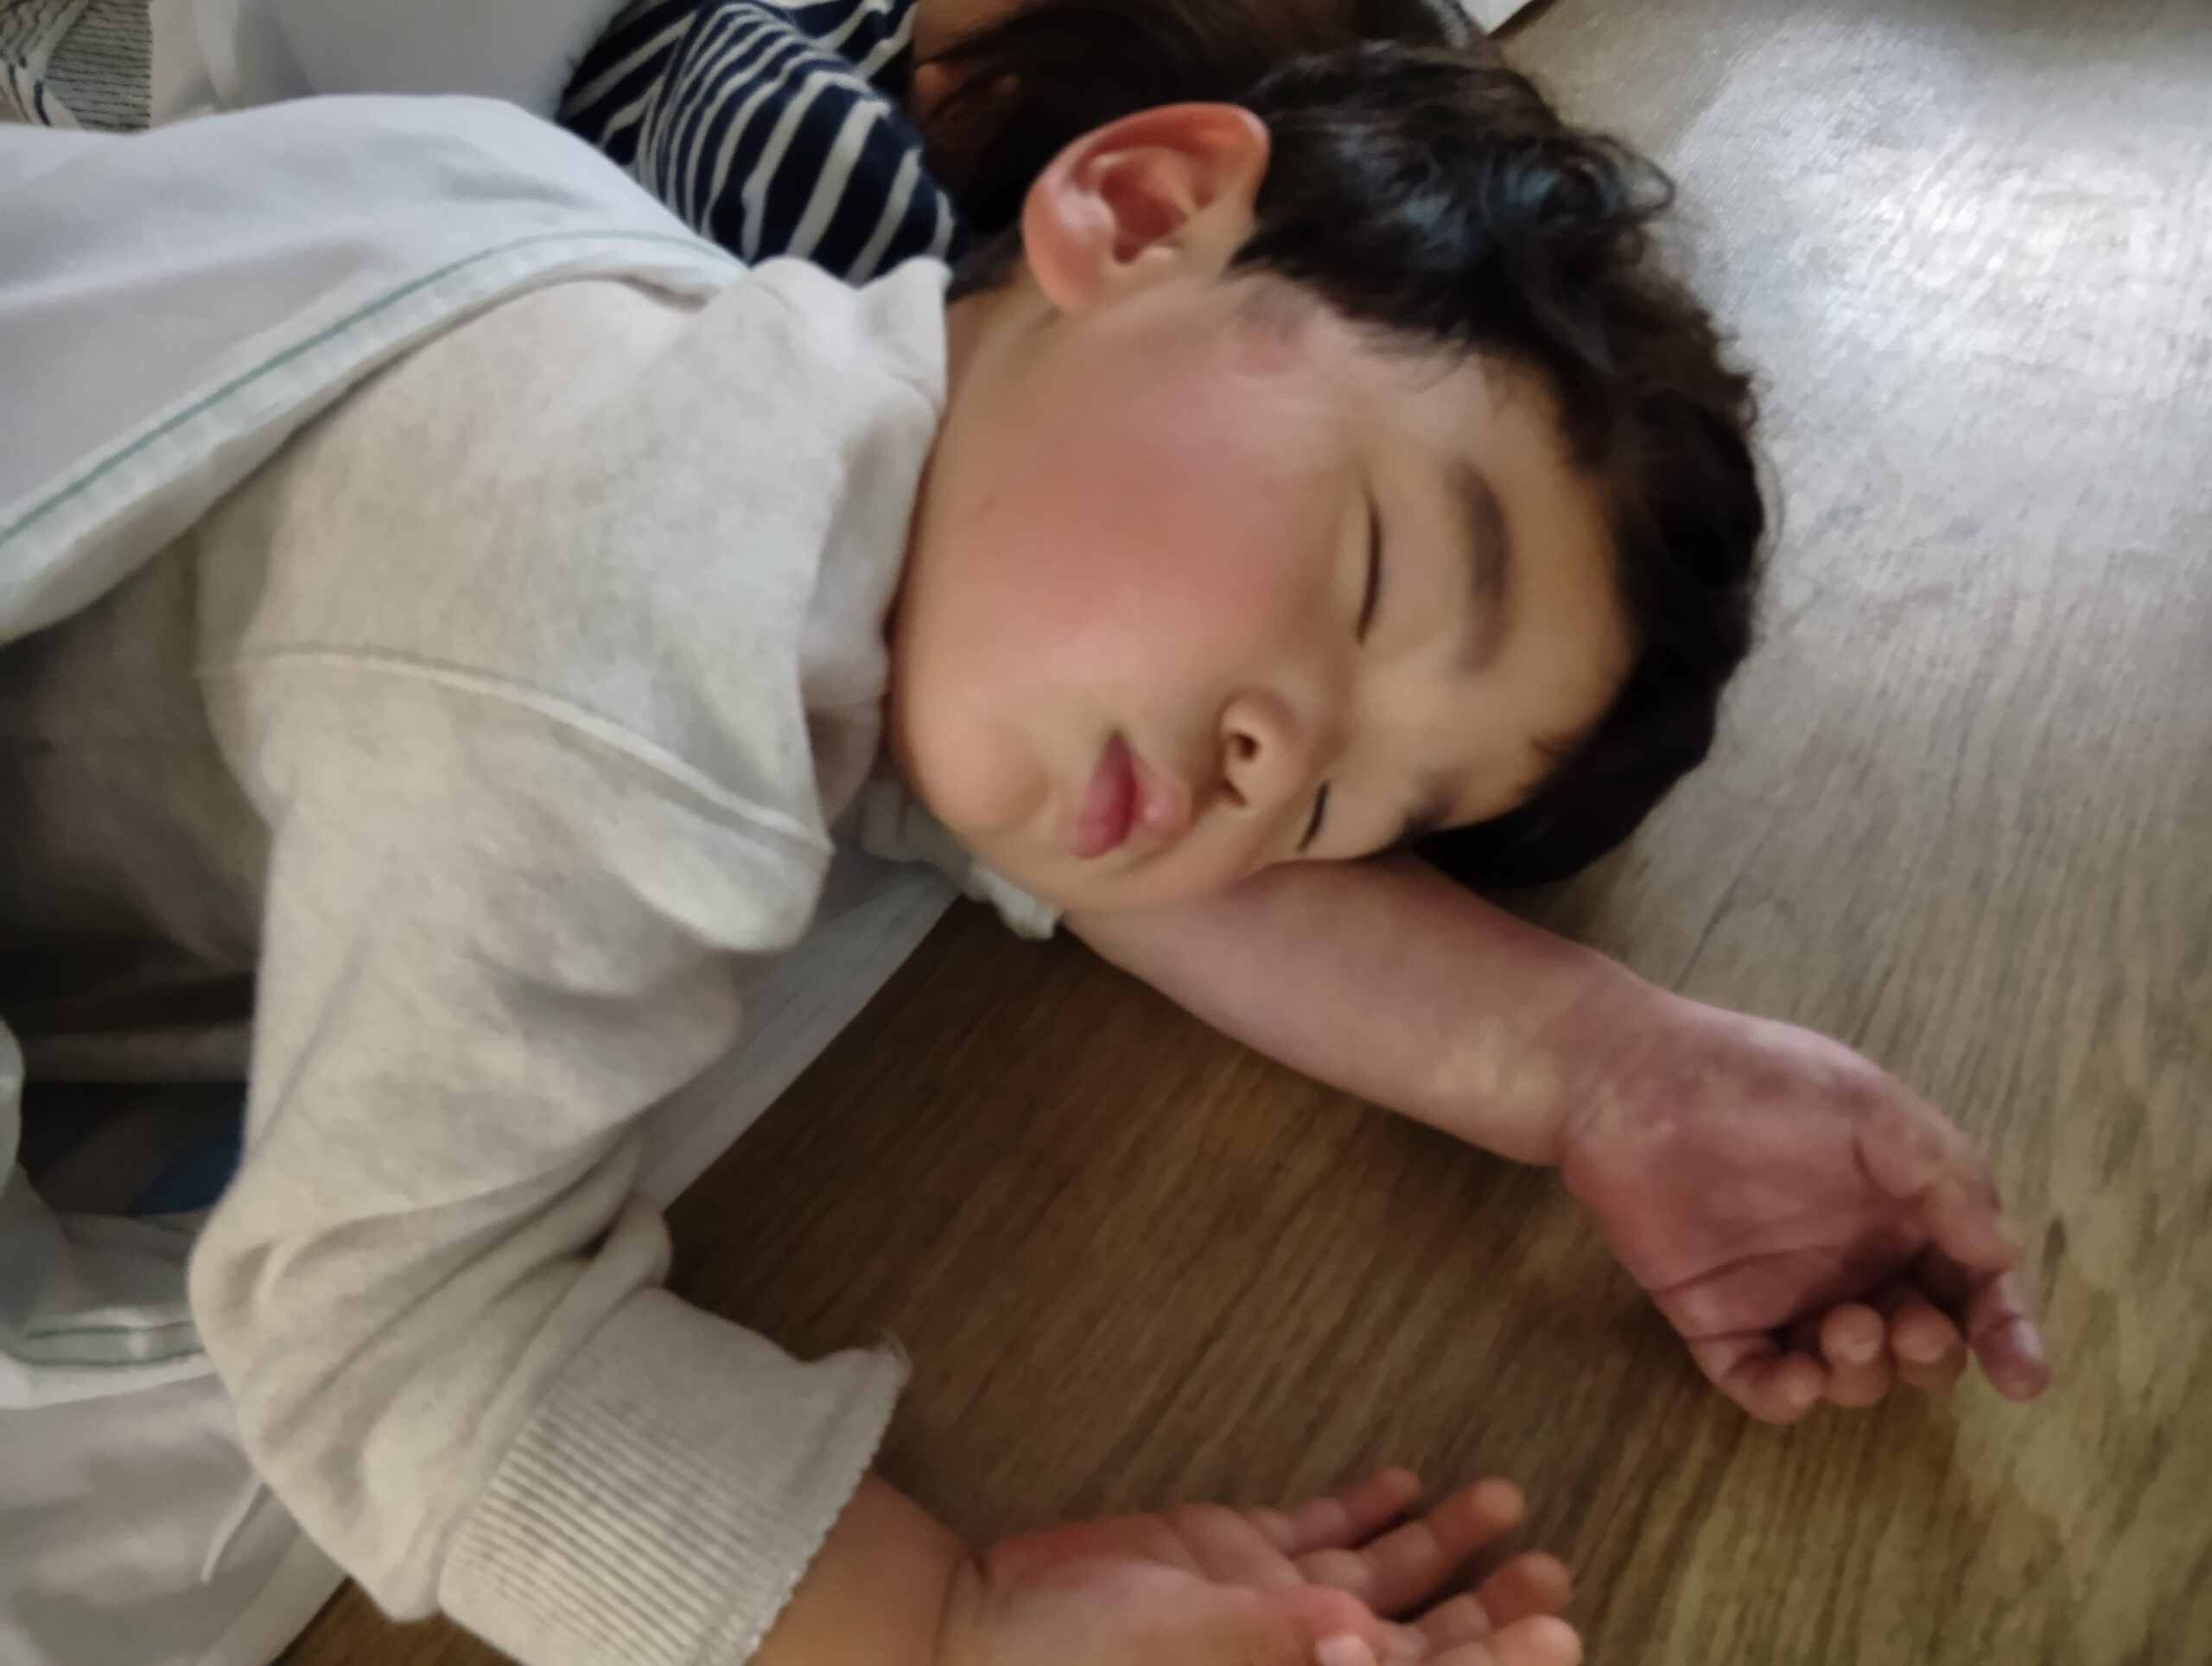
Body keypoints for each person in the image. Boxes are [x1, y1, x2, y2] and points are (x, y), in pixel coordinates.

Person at [19, 0, 2055, 1431]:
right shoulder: (611, 618)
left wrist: (1609, 1069)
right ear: (1142, 210)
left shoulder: (848, 487)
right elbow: (384, 1346)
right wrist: (949, 1616)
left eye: (1345, 805)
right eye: (1364, 576)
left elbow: (1137, 871)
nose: (1270, 778)